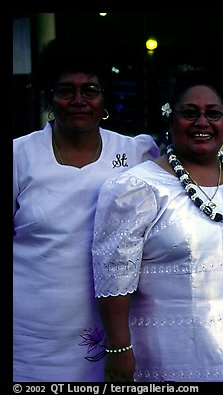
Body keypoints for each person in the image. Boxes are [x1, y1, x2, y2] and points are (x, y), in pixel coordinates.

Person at [91, 66, 223, 382]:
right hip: (169, 356)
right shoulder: (135, 188)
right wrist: (118, 350)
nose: (202, 122)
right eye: (190, 112)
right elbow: (113, 280)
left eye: (213, 113)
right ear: (171, 119)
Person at [13, 39, 161, 381]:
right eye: (66, 91)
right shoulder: (20, 156)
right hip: (33, 337)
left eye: (90, 90)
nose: (79, 101)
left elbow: (182, 188)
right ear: (49, 96)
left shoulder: (136, 153)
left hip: (117, 334)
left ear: (104, 96)